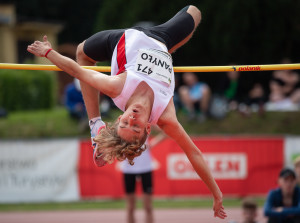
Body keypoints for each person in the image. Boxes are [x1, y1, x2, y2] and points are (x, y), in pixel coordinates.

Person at [27, 5, 226, 219]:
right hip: (162, 41)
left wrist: (48, 52)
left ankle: (95, 124)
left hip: (122, 40)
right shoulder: (166, 116)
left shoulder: (117, 87)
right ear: (148, 127)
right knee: (195, 11)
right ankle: (169, 50)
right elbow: (193, 153)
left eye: (125, 123)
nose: (132, 119)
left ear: (119, 117)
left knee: (81, 53)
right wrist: (216, 194)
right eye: (136, 126)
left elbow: (77, 70)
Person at [121, 133, 165, 223]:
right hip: (128, 169)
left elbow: (165, 132)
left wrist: (152, 143)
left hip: (146, 168)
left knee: (148, 207)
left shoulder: (145, 123)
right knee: (130, 207)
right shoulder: (124, 123)